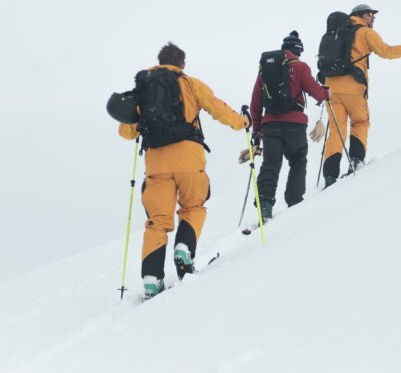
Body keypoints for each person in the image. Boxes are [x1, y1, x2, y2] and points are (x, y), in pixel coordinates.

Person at [117, 42, 249, 299]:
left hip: (156, 163)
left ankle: (152, 277)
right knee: (193, 207)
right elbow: (219, 109)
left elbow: (127, 131)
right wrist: (244, 122)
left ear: (158, 60)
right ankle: (184, 249)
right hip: (189, 158)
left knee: (157, 220)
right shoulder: (190, 83)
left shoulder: (144, 87)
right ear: (182, 64)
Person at [321, 4, 401, 187]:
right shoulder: (365, 33)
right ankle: (357, 161)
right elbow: (387, 52)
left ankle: (329, 175)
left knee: (337, 131)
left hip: (331, 88)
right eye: (370, 14)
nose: (373, 17)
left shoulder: (335, 32)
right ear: (360, 15)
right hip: (354, 87)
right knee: (360, 122)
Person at [247, 31, 330, 221]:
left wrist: (257, 129)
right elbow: (316, 92)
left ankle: (265, 204)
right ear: (298, 51)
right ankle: (294, 202)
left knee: (270, 163)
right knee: (298, 159)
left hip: (270, 125)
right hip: (295, 124)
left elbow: (256, 101)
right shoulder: (300, 67)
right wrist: (327, 94)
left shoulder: (266, 69)